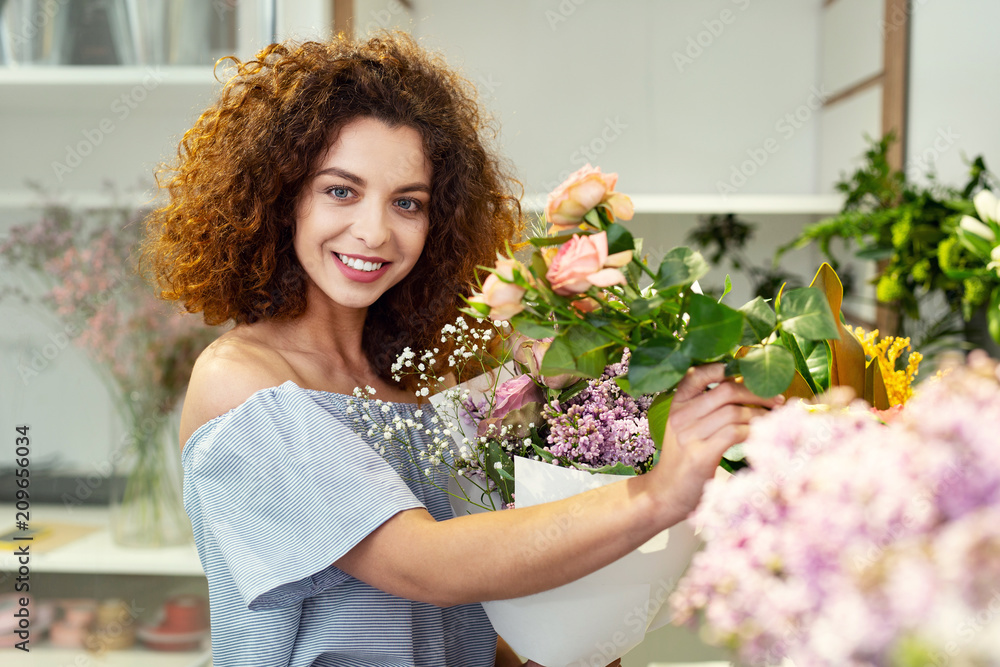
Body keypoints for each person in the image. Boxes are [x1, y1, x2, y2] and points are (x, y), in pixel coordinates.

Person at [141, 31, 780, 667]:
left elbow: (447, 624)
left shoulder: (416, 385)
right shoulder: (243, 386)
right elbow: (428, 568)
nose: (374, 231)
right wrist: (662, 492)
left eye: (408, 203)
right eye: (340, 190)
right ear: (280, 199)